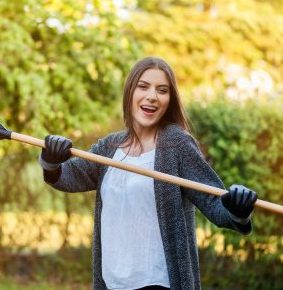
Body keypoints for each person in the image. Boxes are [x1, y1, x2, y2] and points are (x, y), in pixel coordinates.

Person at [38, 57, 257, 290]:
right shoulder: (109, 147)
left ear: (169, 100)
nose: (152, 96)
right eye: (143, 86)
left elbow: (214, 203)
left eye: (162, 90)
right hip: (111, 283)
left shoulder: (177, 144)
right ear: (130, 92)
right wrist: (50, 160)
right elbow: (66, 177)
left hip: (158, 282)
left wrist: (237, 210)